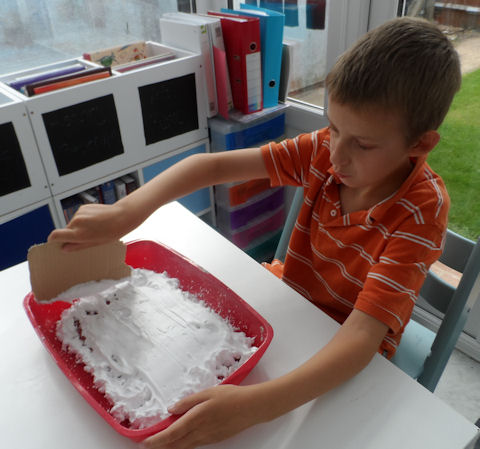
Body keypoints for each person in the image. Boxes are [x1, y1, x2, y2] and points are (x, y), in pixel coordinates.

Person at [48, 17, 461, 449]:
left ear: (419, 145)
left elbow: (359, 339)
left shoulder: (420, 210)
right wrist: (128, 210)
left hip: (347, 353)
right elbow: (209, 167)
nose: (336, 154)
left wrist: (254, 407)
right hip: (291, 304)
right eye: (334, 127)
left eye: (363, 144)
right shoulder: (324, 149)